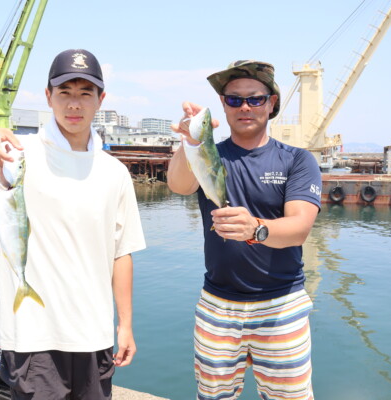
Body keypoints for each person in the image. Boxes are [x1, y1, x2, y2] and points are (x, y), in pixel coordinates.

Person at [0, 49, 146, 400]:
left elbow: (122, 252)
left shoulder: (115, 172)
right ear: (48, 96)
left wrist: (125, 324)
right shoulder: (14, 156)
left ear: (101, 100)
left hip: (94, 334)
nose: (74, 104)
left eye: (85, 93)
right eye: (65, 93)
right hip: (32, 336)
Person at [167, 60, 321, 400]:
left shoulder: (297, 160)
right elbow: (178, 185)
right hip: (217, 303)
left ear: (272, 103)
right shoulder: (210, 154)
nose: (245, 107)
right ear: (223, 104)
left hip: (282, 303)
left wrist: (256, 229)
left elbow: (299, 229)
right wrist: (189, 139)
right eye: (234, 100)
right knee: (213, 396)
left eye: (255, 98)